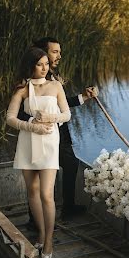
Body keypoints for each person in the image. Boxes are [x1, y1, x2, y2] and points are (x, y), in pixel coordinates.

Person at [19, 36, 98, 220]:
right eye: (55, 52)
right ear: (41, 54)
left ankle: (67, 207)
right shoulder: (28, 81)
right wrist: (35, 122)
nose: (59, 56)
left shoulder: (53, 78)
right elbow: (18, 113)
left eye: (59, 52)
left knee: (71, 164)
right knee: (37, 175)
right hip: (39, 133)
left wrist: (83, 97)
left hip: (59, 132)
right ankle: (35, 220)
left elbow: (60, 104)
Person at [6, 47, 71, 258]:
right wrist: (32, 126)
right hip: (28, 140)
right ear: (31, 65)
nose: (44, 68)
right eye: (39, 64)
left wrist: (51, 117)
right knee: (32, 191)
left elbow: (67, 114)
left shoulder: (55, 86)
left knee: (46, 194)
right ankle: (41, 235)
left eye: (46, 63)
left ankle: (50, 240)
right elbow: (10, 118)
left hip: (50, 142)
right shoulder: (23, 89)